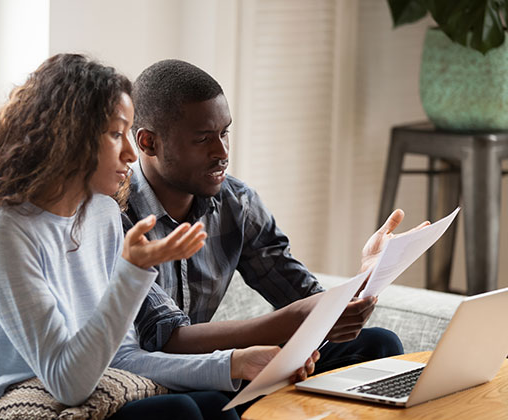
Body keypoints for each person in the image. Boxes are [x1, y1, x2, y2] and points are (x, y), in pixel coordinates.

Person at [0, 54, 254, 420]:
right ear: (69, 137)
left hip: (58, 394)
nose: (131, 153)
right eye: (116, 134)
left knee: (218, 403)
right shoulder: (1, 231)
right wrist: (132, 271)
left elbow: (121, 358)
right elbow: (68, 382)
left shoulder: (102, 214)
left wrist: (233, 363)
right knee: (176, 413)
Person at [111, 59, 429, 404]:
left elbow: (302, 297)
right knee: (202, 403)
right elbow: (166, 340)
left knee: (378, 343)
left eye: (224, 133)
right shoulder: (116, 216)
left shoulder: (236, 202)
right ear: (148, 143)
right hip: (158, 379)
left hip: (224, 367)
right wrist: (296, 320)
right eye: (203, 139)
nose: (222, 152)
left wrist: (370, 275)